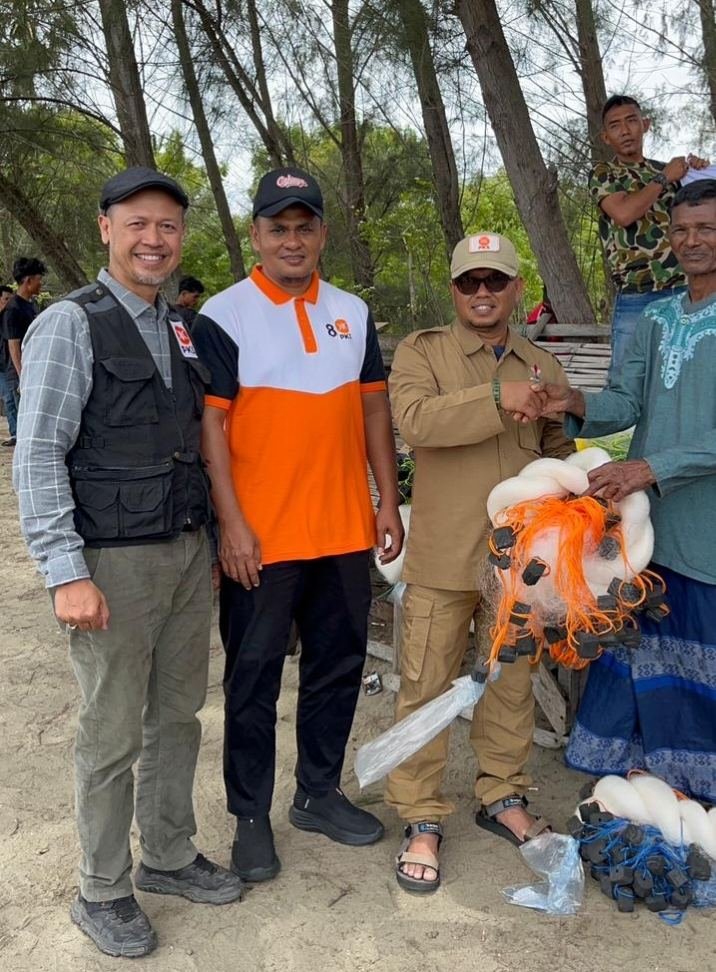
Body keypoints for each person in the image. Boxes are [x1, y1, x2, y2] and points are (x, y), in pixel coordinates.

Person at [13, 166, 242, 959]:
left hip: (182, 554)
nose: (155, 239)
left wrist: (208, 542)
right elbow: (39, 452)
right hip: (110, 563)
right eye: (138, 223)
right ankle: (102, 888)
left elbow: (190, 441)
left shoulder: (179, 326)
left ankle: (169, 855)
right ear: (105, 227)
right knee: (111, 732)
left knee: (177, 717)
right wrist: (65, 571)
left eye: (169, 227)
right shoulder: (70, 324)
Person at [192, 166, 403, 883]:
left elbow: (374, 407)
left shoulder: (353, 311)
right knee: (251, 679)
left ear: (321, 233)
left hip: (344, 529)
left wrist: (387, 499)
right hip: (263, 536)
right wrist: (232, 525)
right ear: (255, 235)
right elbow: (211, 430)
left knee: (337, 668)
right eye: (277, 227)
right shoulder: (222, 315)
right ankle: (250, 815)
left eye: (304, 225)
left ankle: (318, 791)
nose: (292, 239)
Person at [385, 232, 575, 894]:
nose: (484, 292)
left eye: (496, 280)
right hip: (442, 551)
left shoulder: (540, 362)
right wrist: (498, 400)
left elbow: (555, 446)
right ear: (454, 290)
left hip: (517, 563)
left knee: (511, 681)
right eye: (471, 282)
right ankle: (420, 814)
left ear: (517, 288)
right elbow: (416, 422)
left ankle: (503, 795)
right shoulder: (423, 351)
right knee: (425, 684)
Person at [539, 178, 716, 804]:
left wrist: (647, 468)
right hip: (648, 526)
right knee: (640, 627)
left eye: (707, 229)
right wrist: (573, 402)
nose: (693, 240)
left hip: (707, 524)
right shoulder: (660, 317)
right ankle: (635, 775)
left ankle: (696, 783)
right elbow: (624, 402)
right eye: (683, 230)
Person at [591, 95, 709, 377]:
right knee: (626, 381)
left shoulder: (671, 173)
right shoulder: (604, 173)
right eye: (616, 125)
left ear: (645, 125)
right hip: (636, 294)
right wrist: (664, 178)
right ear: (606, 137)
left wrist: (702, 174)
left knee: (691, 374)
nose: (625, 130)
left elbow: (704, 214)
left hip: (684, 290)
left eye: (632, 121)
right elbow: (624, 213)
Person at [3, 257, 45, 445]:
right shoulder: (13, 309)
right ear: (28, 281)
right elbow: (14, 345)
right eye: (38, 278)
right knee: (24, 419)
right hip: (19, 373)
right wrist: (23, 376)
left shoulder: (31, 305)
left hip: (34, 368)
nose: (40, 283)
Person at [0, 284, 16, 445]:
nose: (8, 303)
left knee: (12, 398)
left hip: (10, 364)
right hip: (2, 365)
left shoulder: (11, 317)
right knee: (8, 399)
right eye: (5, 299)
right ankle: (14, 433)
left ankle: (17, 433)